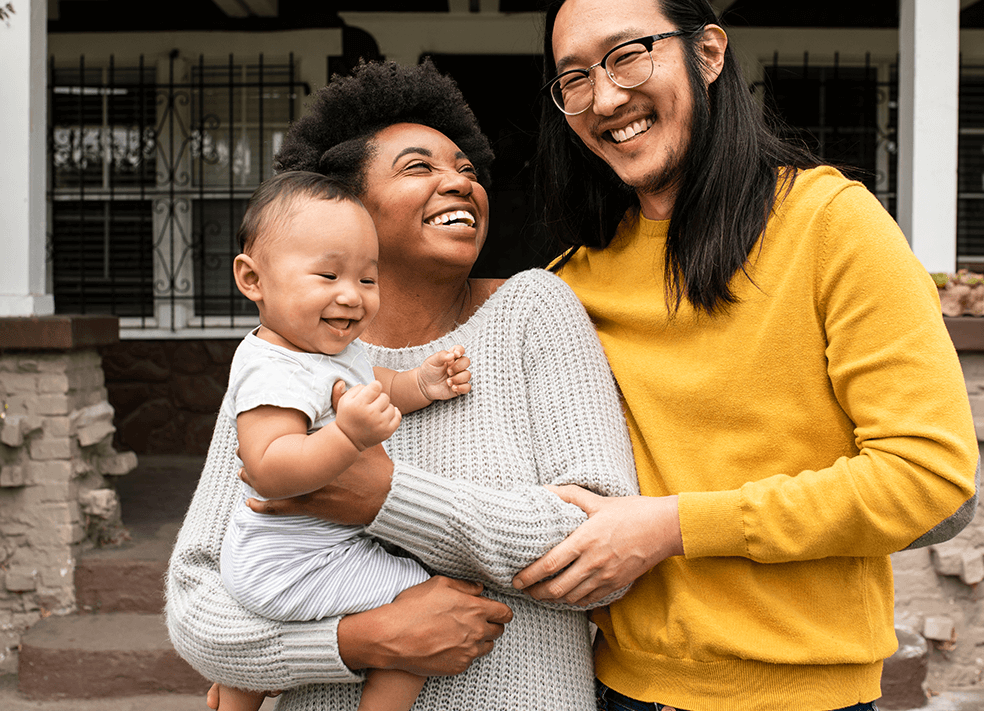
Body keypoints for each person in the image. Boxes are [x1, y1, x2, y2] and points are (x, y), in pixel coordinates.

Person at [511, 0, 980, 711]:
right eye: (574, 78)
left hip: (802, 695)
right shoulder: (571, 283)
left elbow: (927, 477)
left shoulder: (832, 225)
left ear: (707, 51)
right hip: (618, 689)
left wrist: (674, 526)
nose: (604, 97)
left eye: (626, 57)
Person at [165, 59, 640, 711]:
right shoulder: (288, 355)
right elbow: (199, 606)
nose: (460, 184)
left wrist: (382, 496)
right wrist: (368, 639)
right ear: (346, 208)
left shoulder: (534, 311)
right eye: (420, 167)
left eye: (468, 171)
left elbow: (602, 557)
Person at [216, 170, 475, 711]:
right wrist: (346, 436)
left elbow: (374, 385)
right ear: (252, 279)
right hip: (290, 563)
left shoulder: (328, 349)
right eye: (328, 275)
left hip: (303, 554)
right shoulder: (270, 369)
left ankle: (237, 689)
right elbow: (266, 468)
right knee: (423, 604)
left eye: (367, 279)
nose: (351, 297)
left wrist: (418, 385)